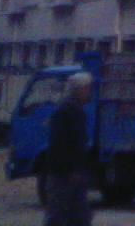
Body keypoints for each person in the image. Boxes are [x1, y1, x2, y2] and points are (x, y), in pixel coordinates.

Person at [45, 70, 93, 226]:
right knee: (60, 215)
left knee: (77, 216)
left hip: (71, 172)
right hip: (64, 174)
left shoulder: (74, 110)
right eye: (87, 88)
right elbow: (60, 144)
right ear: (79, 90)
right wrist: (71, 169)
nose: (89, 92)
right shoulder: (66, 111)